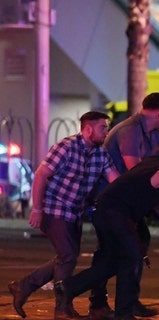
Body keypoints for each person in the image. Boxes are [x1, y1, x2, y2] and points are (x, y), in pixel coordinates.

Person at [54, 131, 159, 320]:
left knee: (117, 261)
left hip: (104, 210)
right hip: (116, 213)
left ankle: (68, 287)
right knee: (133, 258)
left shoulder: (153, 163)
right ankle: (123, 313)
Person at [8, 111, 119, 319]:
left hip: (75, 213)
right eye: (103, 127)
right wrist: (37, 209)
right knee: (68, 256)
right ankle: (61, 308)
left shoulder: (100, 154)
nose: (107, 131)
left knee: (66, 258)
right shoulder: (66, 147)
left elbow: (116, 180)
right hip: (54, 209)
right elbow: (41, 174)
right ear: (88, 129)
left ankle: (23, 286)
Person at [89, 92, 159, 318]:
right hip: (110, 202)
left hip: (129, 204)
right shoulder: (130, 130)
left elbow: (155, 165)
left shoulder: (155, 134)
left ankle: (127, 302)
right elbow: (135, 169)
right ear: (157, 113)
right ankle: (97, 302)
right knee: (111, 251)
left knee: (136, 246)